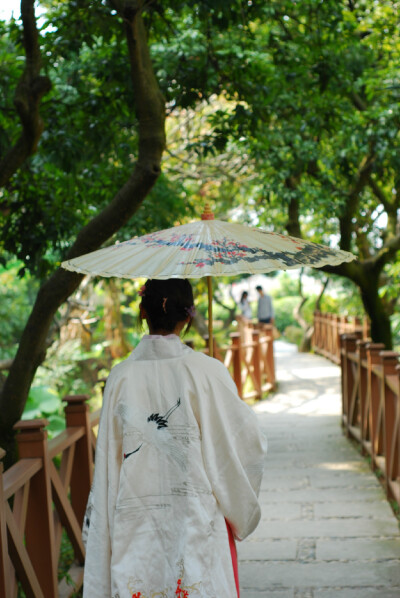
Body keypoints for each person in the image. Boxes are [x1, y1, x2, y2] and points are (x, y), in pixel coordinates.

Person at [83, 278, 266, 598]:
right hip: (196, 515)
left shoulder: (121, 377)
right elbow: (245, 440)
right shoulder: (207, 370)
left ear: (143, 312)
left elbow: (108, 465)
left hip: (134, 518)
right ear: (187, 316)